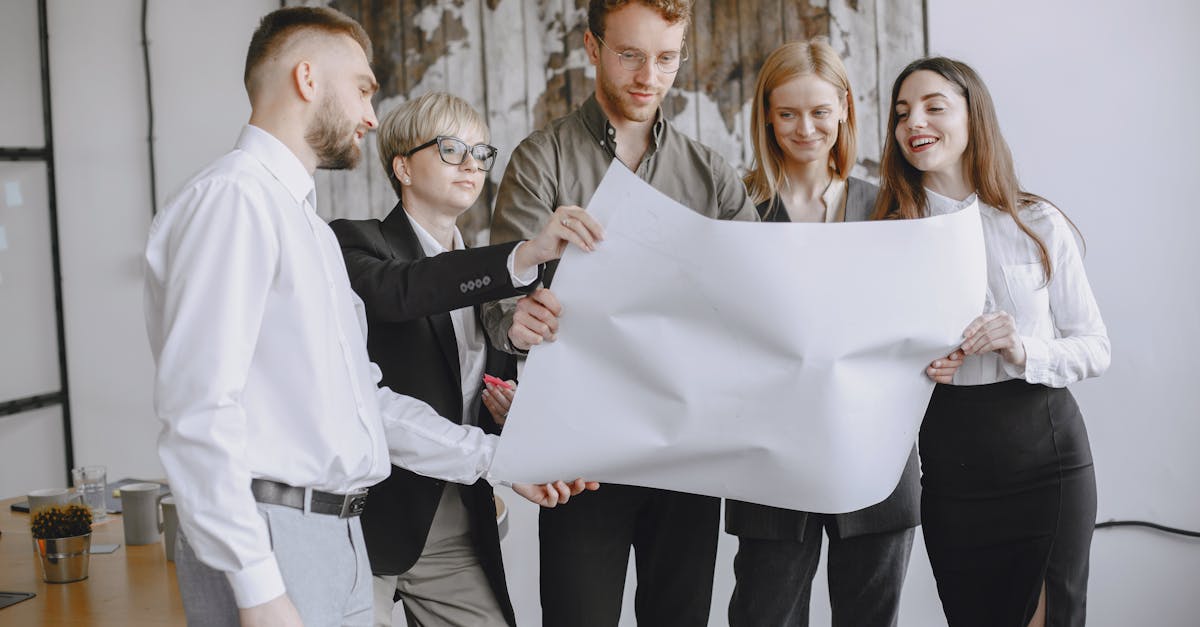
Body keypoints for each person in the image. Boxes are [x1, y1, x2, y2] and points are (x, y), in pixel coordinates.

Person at [143, 8, 591, 627]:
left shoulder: (304, 228)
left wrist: (503, 460)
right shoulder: (235, 199)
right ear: (307, 77)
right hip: (276, 531)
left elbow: (372, 405)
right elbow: (198, 412)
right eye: (361, 87)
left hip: (340, 531)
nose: (371, 116)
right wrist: (259, 590)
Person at [482, 1, 757, 624]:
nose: (648, 76)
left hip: (685, 448)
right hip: (581, 450)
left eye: (665, 59)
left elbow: (753, 302)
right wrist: (515, 322)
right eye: (630, 54)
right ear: (591, 47)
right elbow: (499, 303)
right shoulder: (539, 160)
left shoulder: (711, 174)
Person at [328, 91, 603, 627]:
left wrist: (511, 412)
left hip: (455, 524)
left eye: (481, 153)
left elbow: (476, 390)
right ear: (402, 166)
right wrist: (524, 255)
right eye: (452, 149)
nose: (471, 165)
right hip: (364, 527)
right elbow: (401, 291)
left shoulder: (490, 284)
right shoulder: (351, 243)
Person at [726, 38, 962, 627]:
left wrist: (945, 349)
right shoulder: (736, 213)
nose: (805, 128)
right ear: (766, 117)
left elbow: (926, 318)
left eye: (820, 112)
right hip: (770, 467)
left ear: (845, 112)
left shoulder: (891, 206)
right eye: (787, 113)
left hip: (876, 462)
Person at [875, 57, 1110, 627]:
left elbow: (1095, 347)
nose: (914, 122)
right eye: (903, 112)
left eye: (934, 106)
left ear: (973, 117)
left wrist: (1023, 347)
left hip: (1045, 460)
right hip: (953, 470)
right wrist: (913, 363)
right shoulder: (885, 235)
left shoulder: (1037, 222)